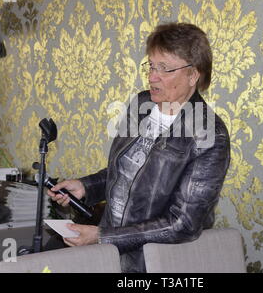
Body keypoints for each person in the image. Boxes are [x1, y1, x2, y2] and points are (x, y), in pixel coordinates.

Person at [47, 22, 231, 273]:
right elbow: (126, 171)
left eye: (164, 69)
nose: (152, 76)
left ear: (193, 74)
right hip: (110, 257)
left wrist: (103, 237)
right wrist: (85, 187)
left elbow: (183, 223)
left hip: (155, 264)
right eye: (151, 66)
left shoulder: (209, 134)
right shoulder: (142, 103)